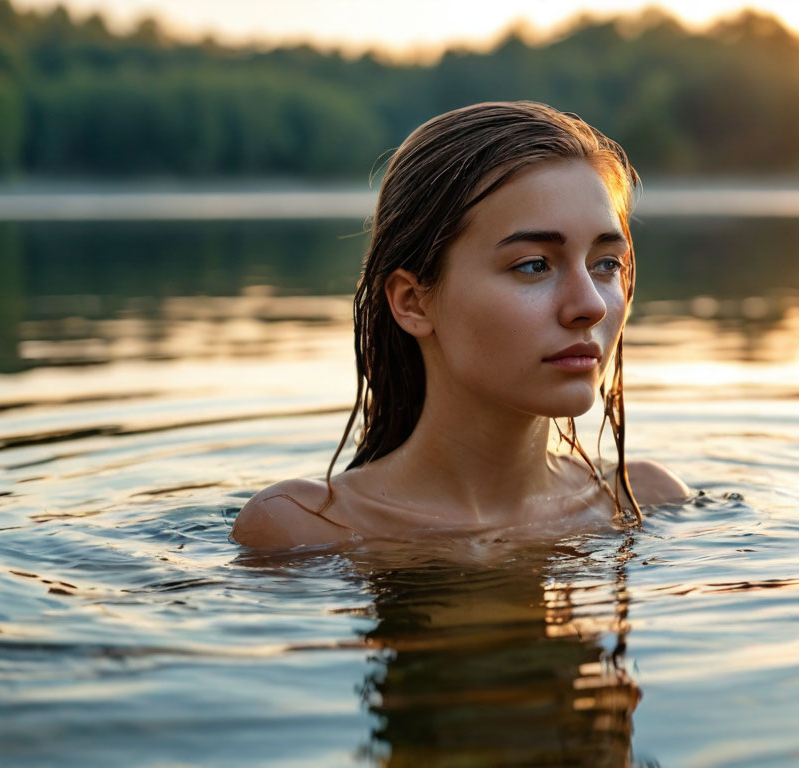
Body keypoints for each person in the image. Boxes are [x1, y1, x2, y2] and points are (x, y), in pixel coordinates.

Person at [232, 101, 688, 549]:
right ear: (413, 303)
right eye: (533, 265)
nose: (590, 305)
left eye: (606, 263)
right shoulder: (306, 527)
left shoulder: (641, 500)